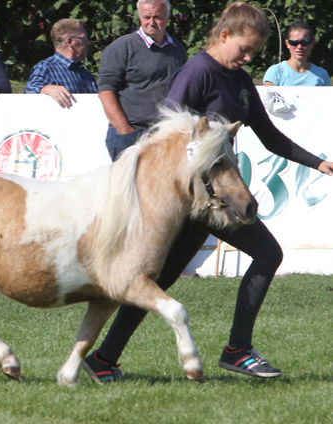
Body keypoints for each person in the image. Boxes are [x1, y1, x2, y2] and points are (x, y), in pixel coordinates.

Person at [85, 2, 333, 382]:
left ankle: (103, 358)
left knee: (161, 279)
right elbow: (165, 133)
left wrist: (317, 163)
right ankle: (237, 350)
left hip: (210, 198)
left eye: (253, 53)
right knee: (267, 253)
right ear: (223, 36)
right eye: (243, 49)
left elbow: (268, 136)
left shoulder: (240, 78)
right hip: (196, 199)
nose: (247, 58)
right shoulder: (197, 71)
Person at [97, 0, 187, 161]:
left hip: (166, 133)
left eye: (157, 17)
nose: (151, 22)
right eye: (146, 17)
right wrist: (124, 129)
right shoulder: (122, 47)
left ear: (167, 18)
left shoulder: (177, 49)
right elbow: (106, 91)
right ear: (139, 18)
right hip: (132, 134)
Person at [24, 19, 97, 108]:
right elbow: (29, 94)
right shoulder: (47, 67)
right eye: (84, 38)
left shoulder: (85, 73)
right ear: (70, 41)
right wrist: (45, 89)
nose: (88, 43)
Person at [263, 21, 331, 86]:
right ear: (287, 44)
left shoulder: (322, 74)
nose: (299, 47)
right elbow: (268, 96)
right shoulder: (275, 72)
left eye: (305, 42)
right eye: (294, 42)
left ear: (312, 44)